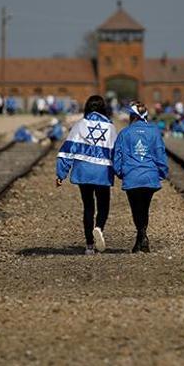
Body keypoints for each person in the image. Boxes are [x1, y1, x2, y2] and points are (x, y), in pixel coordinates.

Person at [56, 95, 117, 255]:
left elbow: (68, 149)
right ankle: (99, 228)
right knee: (104, 205)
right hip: (102, 172)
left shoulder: (80, 124)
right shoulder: (110, 127)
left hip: (83, 170)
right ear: (103, 108)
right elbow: (116, 153)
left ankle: (89, 246)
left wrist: (61, 174)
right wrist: (121, 172)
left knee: (88, 207)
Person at [113, 101, 168, 253]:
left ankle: (142, 236)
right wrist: (162, 173)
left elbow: (117, 156)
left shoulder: (125, 133)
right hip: (150, 176)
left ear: (132, 116)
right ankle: (141, 238)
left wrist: (119, 172)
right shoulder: (154, 131)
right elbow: (160, 154)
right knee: (145, 207)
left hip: (132, 176)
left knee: (136, 208)